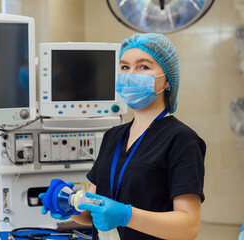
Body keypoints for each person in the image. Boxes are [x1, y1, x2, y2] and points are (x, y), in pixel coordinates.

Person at [40, 33, 206, 240]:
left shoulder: (181, 139)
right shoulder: (113, 136)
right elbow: (92, 214)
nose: (130, 74)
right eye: (125, 67)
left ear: (167, 80)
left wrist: (126, 216)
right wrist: (69, 203)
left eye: (143, 67)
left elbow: (188, 227)